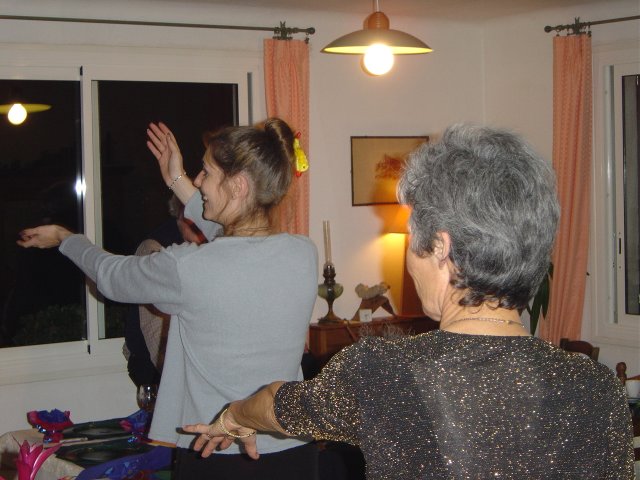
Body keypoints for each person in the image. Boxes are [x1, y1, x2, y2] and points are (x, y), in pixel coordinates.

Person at [183, 124, 635, 479]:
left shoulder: (385, 372)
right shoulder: (595, 388)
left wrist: (234, 416)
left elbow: (275, 404)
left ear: (440, 247)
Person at [18, 118, 319, 479]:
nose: (197, 181)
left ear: (238, 185)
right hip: (294, 453)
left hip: (218, 455)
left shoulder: (187, 268)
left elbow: (112, 276)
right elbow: (237, 242)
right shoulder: (302, 253)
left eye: (205, 172)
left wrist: (67, 238)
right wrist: (174, 180)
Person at [123, 194, 206, 387]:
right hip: (157, 372)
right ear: (180, 217)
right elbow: (155, 335)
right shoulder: (153, 251)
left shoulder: (208, 248)